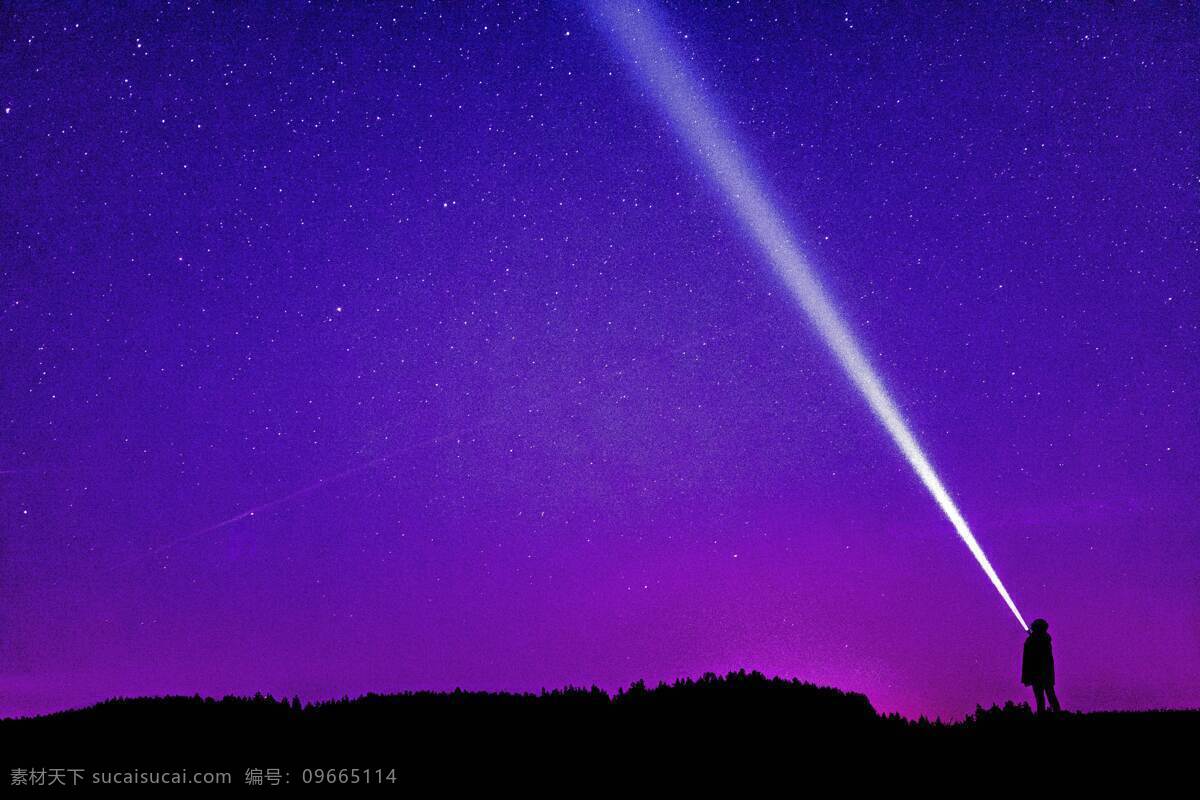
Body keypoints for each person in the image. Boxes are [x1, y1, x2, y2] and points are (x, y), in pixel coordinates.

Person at [1021, 618, 1061, 714]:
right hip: (1042, 673)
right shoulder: (1044, 639)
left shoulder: (1040, 640)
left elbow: (1033, 654)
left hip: (1039, 673)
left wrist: (1033, 638)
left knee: (1045, 696)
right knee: (1046, 696)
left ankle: (1053, 714)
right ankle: (1054, 713)